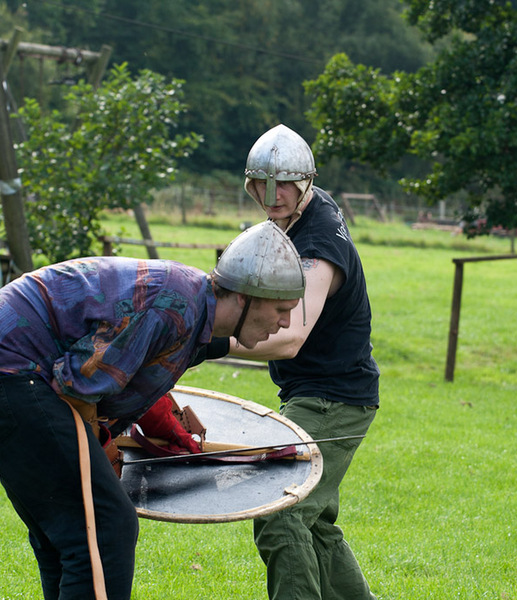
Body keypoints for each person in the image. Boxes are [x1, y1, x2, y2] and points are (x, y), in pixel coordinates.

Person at [0, 220, 305, 600]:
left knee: (69, 535)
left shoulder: (194, 309)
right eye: (280, 308)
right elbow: (76, 385)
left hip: (18, 376)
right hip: (17, 373)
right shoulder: (172, 305)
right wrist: (100, 443)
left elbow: (130, 369)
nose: (286, 322)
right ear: (245, 296)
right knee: (106, 529)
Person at [228, 124, 380, 599]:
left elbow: (290, 337)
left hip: (333, 400)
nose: (270, 197)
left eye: (283, 187)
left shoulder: (319, 248)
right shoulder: (306, 210)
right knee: (313, 525)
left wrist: (203, 341)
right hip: (322, 394)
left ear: (306, 183)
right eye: (260, 186)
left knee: (281, 507)